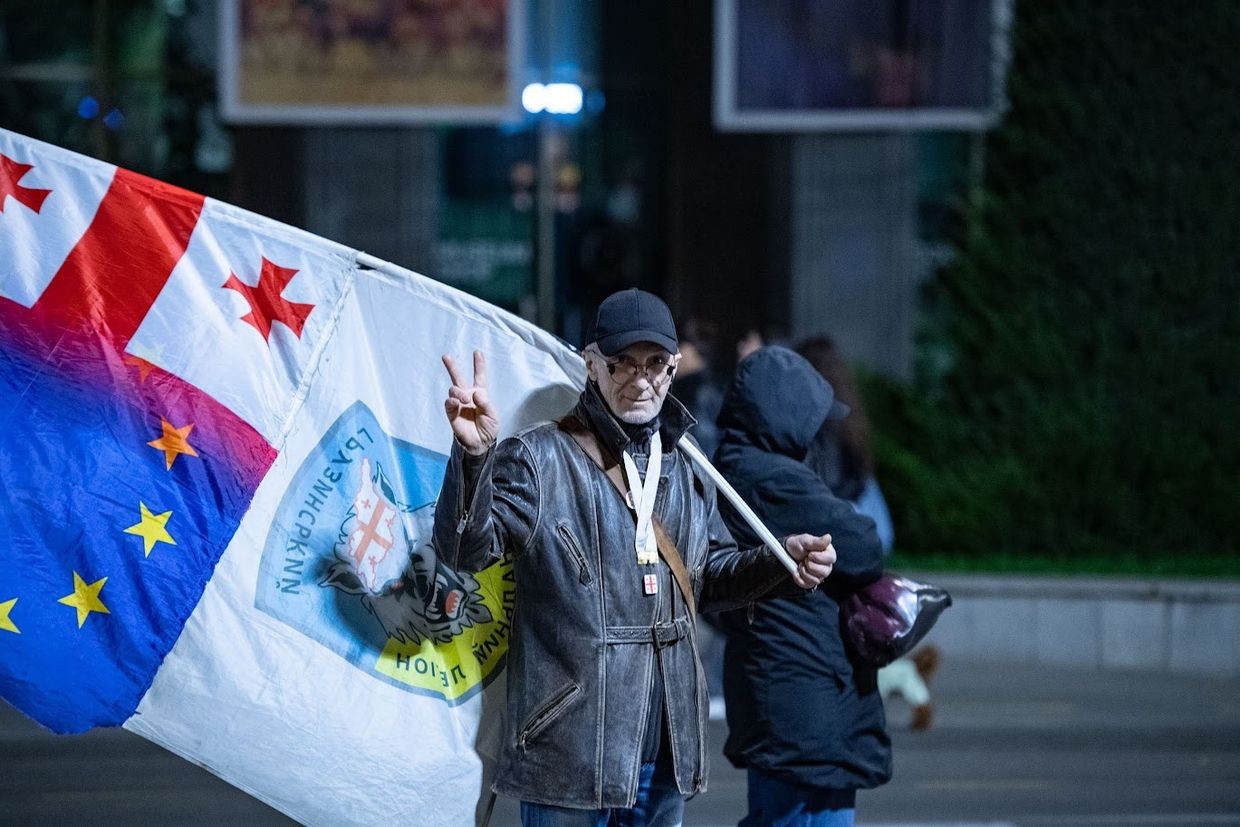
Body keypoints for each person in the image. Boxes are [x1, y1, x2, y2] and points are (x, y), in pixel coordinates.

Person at [434, 289, 839, 826]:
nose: (641, 380)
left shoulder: (686, 463)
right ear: (591, 363)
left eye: (655, 364)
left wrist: (780, 562)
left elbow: (707, 578)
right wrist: (474, 455)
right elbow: (463, 553)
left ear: (673, 367)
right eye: (622, 363)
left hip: (666, 751)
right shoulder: (538, 458)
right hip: (571, 751)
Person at [712, 346, 892, 826]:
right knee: (805, 815)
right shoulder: (772, 478)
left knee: (781, 812)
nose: (819, 434)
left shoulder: (733, 467)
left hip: (783, 683)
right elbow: (863, 546)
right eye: (812, 421)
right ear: (783, 415)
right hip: (803, 686)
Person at [796, 335, 939, 730]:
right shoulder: (851, 418)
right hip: (860, 533)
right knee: (854, 629)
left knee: (842, 636)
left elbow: (827, 485)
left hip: (833, 538)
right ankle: (902, 676)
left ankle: (902, 678)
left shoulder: (820, 424)